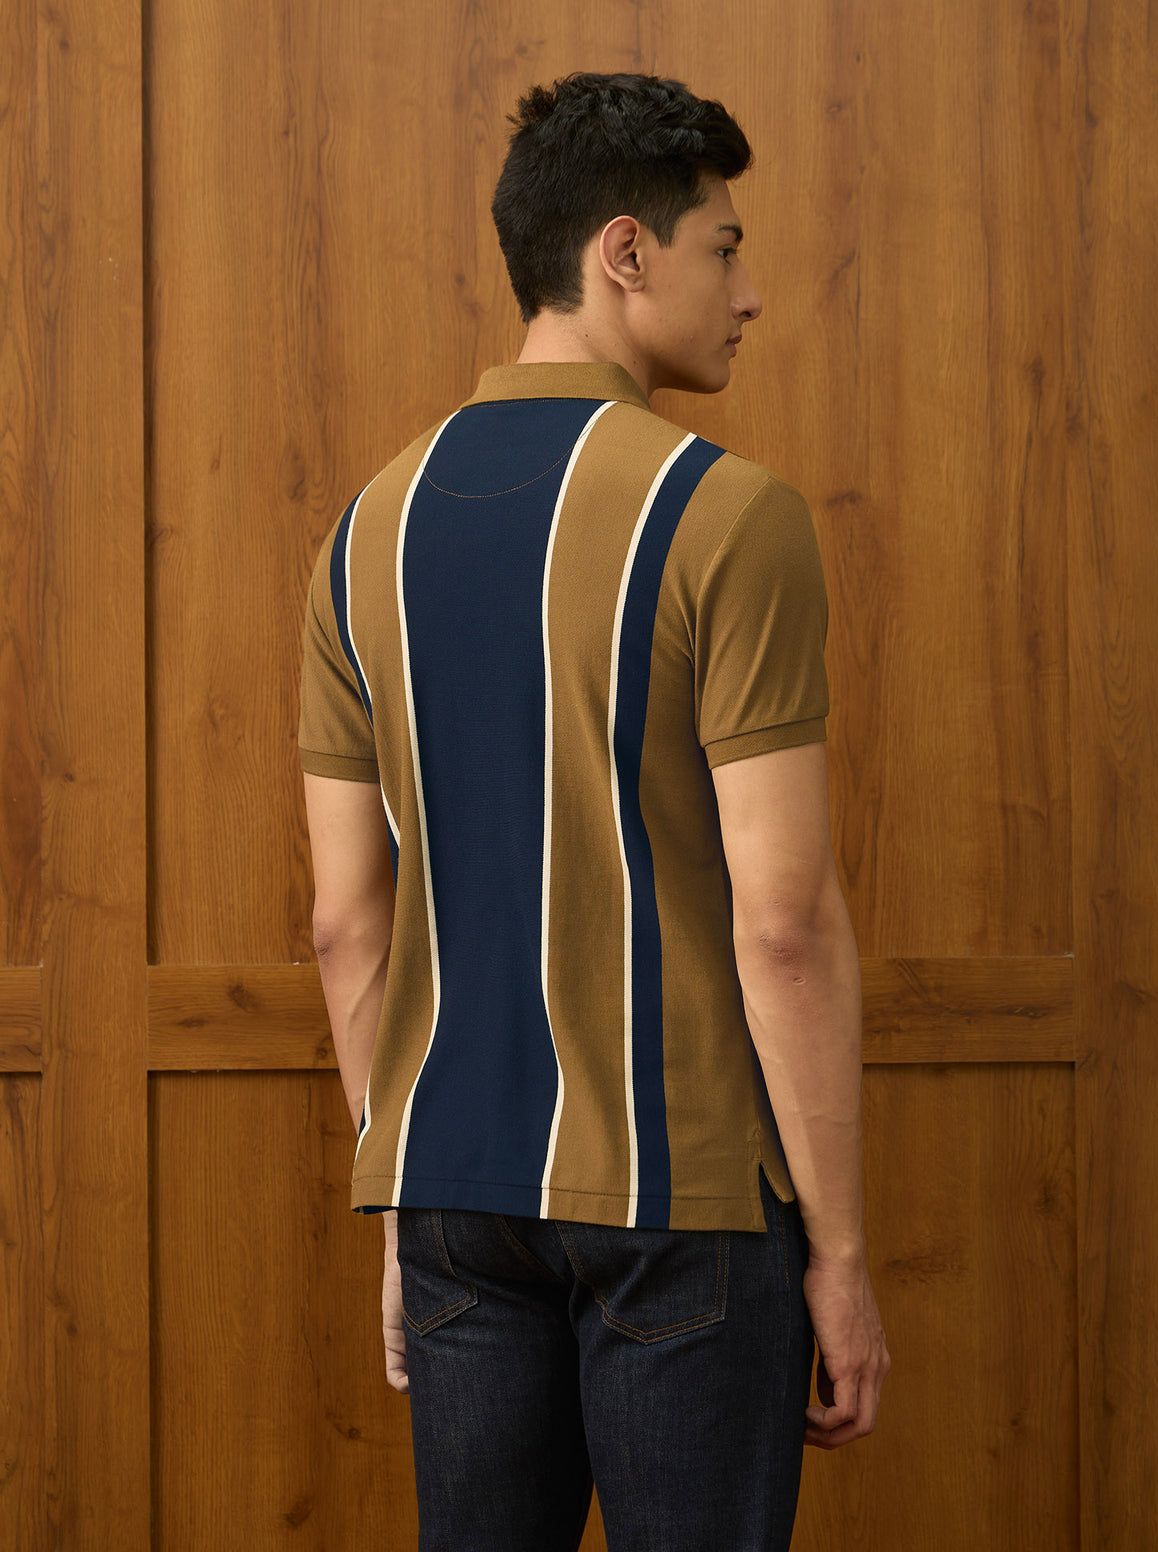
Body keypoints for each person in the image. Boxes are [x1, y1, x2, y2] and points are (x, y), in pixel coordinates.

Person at [299, 69, 889, 1552]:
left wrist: (403, 1190)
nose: (748, 293)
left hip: (452, 1191)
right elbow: (786, 924)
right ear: (624, 251)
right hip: (683, 1204)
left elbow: (344, 924)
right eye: (723, 247)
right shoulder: (727, 514)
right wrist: (841, 1253)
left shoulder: (362, 536)